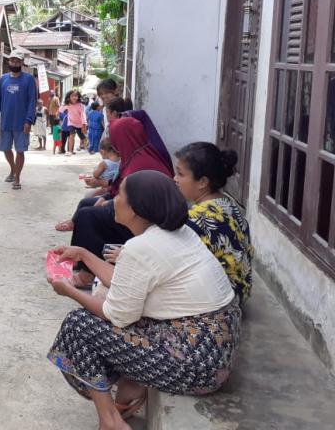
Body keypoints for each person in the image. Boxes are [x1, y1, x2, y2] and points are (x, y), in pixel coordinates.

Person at [47, 171, 240, 430]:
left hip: (196, 364)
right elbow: (123, 283)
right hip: (213, 351)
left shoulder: (142, 248)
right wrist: (83, 253)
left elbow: (115, 315)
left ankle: (110, 421)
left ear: (137, 209)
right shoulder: (176, 234)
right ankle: (132, 386)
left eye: (120, 195)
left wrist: (69, 291)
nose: (113, 200)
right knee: (108, 303)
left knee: (78, 325)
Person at [54, 118, 174, 289]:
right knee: (87, 204)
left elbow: (137, 199)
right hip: (130, 205)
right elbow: (119, 188)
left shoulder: (142, 162)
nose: (114, 144)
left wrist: (109, 202)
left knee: (87, 216)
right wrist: (107, 197)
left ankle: (88, 273)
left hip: (143, 216)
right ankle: (79, 258)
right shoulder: (133, 155)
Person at [174, 142, 254, 304]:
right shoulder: (228, 203)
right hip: (241, 290)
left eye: (180, 174)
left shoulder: (195, 218)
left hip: (221, 300)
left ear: (202, 182)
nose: (175, 179)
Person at [0, 49, 36, 189]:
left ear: (22, 62)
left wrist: (29, 120)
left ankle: (17, 178)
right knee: (5, 149)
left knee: (20, 150)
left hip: (22, 123)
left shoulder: (29, 79)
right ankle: (13, 169)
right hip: (6, 122)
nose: (14, 63)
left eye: (17, 61)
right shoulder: (3, 79)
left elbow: (32, 101)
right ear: (9, 61)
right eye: (12, 60)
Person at [59, 90, 87, 156]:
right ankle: (70, 151)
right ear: (69, 97)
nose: (74, 97)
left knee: (83, 137)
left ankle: (87, 144)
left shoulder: (80, 105)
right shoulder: (68, 105)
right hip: (71, 123)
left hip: (79, 123)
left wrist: (84, 124)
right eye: (72, 96)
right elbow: (60, 110)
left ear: (78, 97)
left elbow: (83, 115)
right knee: (72, 135)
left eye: (76, 96)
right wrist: (65, 104)